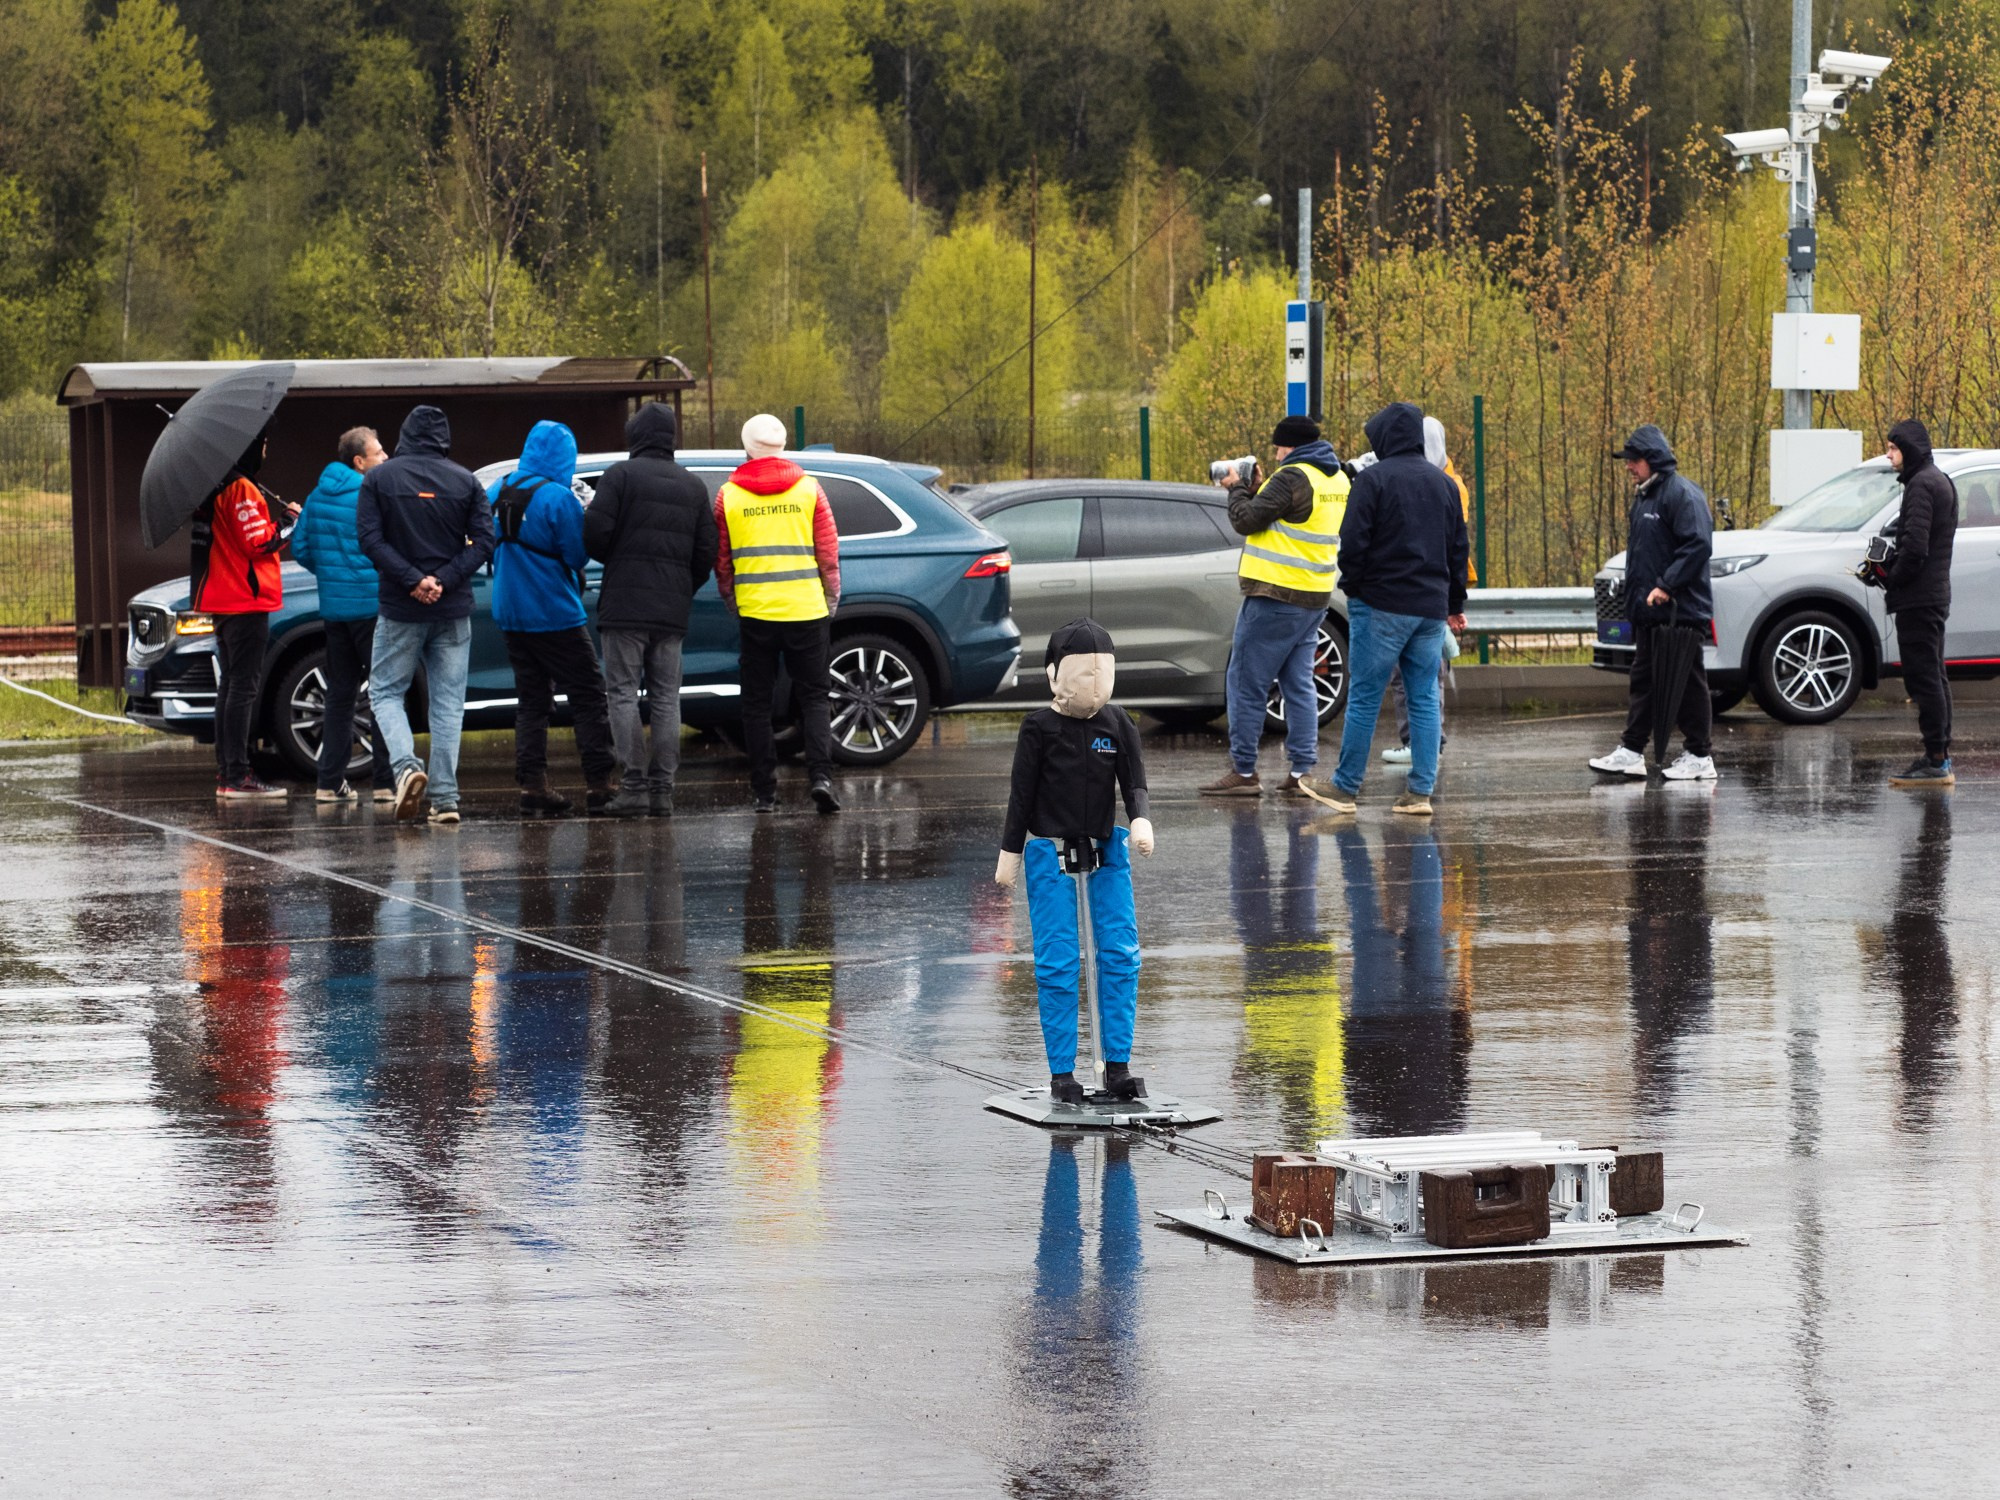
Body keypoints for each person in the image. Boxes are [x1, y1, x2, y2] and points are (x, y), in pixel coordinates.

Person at [995, 619, 1155, 1106]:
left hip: (1106, 851)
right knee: (1058, 961)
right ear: (1055, 674)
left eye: (1101, 673)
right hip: (1051, 853)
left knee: (1120, 955)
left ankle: (1117, 1065)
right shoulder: (1039, 728)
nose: (1094, 684)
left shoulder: (1117, 723)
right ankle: (1062, 1072)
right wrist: (1010, 853)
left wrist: (1141, 819)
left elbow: (1133, 780)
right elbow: (1021, 795)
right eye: (1084, 673)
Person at [1298, 401, 1468, 818]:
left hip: (1381, 605)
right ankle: (1420, 793)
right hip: (1429, 609)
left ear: (1387, 438)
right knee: (1424, 698)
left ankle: (1345, 787)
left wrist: (1355, 587)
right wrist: (1453, 604)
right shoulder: (1444, 484)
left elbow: (1352, 542)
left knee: (1365, 697)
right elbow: (1457, 549)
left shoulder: (1373, 480)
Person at [356, 404, 495, 825]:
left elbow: (370, 539)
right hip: (452, 608)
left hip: (401, 607)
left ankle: (405, 768)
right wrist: (444, 580)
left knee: (385, 693)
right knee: (448, 704)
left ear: (405, 434)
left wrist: (413, 580)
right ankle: (446, 800)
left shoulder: (379, 479)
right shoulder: (466, 480)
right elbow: (484, 541)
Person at [1200, 414, 1349, 797]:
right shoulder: (1335, 478)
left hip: (1275, 596)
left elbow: (1246, 520)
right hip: (1315, 596)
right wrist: (1259, 488)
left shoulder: (1292, 477)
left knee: (1245, 682)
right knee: (1299, 683)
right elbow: (1292, 518)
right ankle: (1301, 771)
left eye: (1279, 447)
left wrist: (1237, 487)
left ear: (1291, 446)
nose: (1277, 454)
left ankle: (1244, 771)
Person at [583, 402, 717, 818]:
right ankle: (663, 790)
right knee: (665, 697)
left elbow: (595, 534)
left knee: (622, 693)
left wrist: (618, 560)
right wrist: (682, 587)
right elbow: (706, 551)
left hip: (624, 605)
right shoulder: (693, 486)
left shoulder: (619, 476)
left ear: (637, 435)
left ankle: (634, 786)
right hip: (671, 610)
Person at [715, 413, 842, 814]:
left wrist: (733, 601)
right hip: (807, 609)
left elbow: (723, 562)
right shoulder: (809, 490)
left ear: (746, 447)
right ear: (784, 446)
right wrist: (831, 598)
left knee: (756, 704)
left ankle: (764, 792)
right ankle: (821, 778)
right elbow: (828, 553)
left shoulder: (728, 496)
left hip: (756, 613)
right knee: (814, 698)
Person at [489, 419, 617, 817]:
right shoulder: (559, 498)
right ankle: (600, 785)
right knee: (589, 694)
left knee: (532, 700)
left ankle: (533, 787)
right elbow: (577, 555)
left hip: (509, 609)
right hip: (552, 611)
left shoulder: (498, 488)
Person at [1588, 425, 1716, 782]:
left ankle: (1700, 756)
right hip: (1651, 613)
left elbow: (1698, 545)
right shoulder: (1645, 497)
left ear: (1652, 459)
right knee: (1644, 680)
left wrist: (1666, 586)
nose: (1629, 467)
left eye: (1634, 460)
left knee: (1687, 683)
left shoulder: (1681, 494)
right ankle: (1631, 751)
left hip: (1679, 612)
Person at [191, 430, 297, 800]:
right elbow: (260, 542)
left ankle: (229, 773)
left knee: (231, 686)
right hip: (245, 599)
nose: (265, 451)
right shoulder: (241, 489)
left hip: (223, 598)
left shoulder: (216, 486)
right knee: (242, 688)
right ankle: (237, 776)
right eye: (263, 445)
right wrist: (290, 519)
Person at [290, 426, 393, 804]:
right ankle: (385, 783)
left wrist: (331, 574)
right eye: (379, 452)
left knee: (339, 695)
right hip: (370, 607)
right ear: (359, 461)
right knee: (384, 693)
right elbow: (386, 546)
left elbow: (300, 547)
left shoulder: (316, 497)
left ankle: (329, 782)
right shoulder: (372, 495)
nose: (386, 457)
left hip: (335, 611)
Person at [1383, 415, 1477, 765]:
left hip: (1426, 590)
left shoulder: (1446, 485)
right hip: (1434, 589)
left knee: (1421, 673)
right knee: (1420, 671)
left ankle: (1423, 742)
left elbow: (1449, 542)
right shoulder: (1447, 482)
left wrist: (1453, 602)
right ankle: (1424, 741)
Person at [1880, 419, 1957, 786]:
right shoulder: (1938, 480)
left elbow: (1914, 548)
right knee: (1935, 676)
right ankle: (1938, 755)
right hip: (1932, 596)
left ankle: (1936, 759)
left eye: (1893, 448)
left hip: (1919, 598)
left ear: (1908, 449)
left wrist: (1889, 576)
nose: (1888, 454)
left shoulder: (1921, 485)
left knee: (1924, 678)